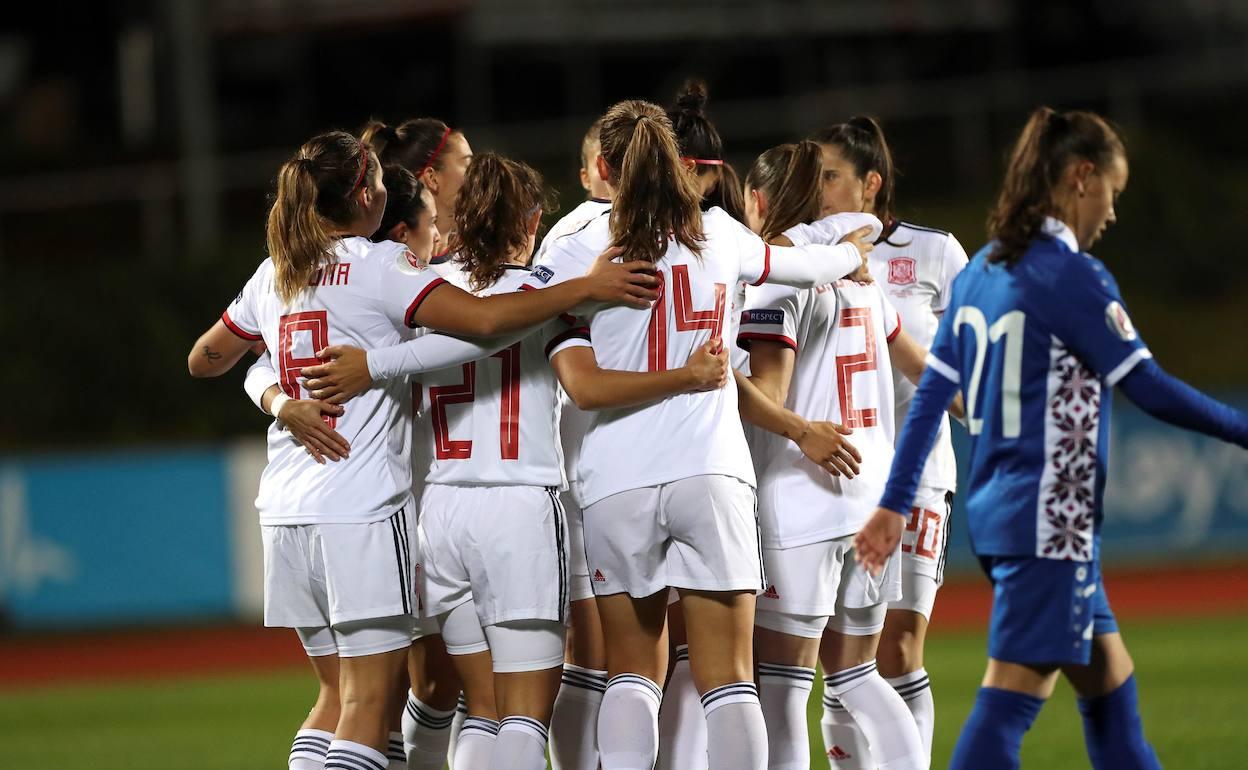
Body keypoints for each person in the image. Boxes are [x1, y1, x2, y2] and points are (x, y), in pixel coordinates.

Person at [187, 130, 659, 770]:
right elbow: (489, 325)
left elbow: (209, 357)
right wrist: (587, 289)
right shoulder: (396, 271)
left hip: (320, 507)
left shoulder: (279, 270)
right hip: (388, 506)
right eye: (380, 181)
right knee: (416, 707)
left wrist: (280, 400)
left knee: (356, 698)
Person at [855, 107, 1248, 770]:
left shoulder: (981, 272)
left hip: (1004, 516)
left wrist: (895, 505)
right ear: (1081, 178)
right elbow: (1146, 386)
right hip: (1050, 524)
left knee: (1112, 693)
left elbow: (929, 399)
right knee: (1008, 705)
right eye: (1113, 194)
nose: (1113, 213)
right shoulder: (1069, 277)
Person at [534, 99, 874, 770]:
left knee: (632, 670)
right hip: (711, 472)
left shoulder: (572, 247)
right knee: (729, 677)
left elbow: (530, 316)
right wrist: (847, 252)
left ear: (603, 168)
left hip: (614, 479)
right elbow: (805, 268)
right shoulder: (719, 234)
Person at [738, 140, 951, 770]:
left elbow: (769, 396)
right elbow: (918, 363)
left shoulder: (784, 275)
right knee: (858, 675)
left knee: (782, 689)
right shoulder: (861, 278)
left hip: (805, 495)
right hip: (872, 496)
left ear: (759, 201)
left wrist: (706, 374)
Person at [807, 115, 969, 765]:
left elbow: (968, 365)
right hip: (838, 476)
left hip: (919, 473)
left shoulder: (937, 253)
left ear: (870, 183)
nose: (817, 188)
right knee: (838, 661)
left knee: (897, 649)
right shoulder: (801, 255)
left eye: (831, 176)